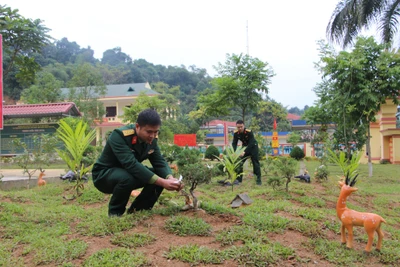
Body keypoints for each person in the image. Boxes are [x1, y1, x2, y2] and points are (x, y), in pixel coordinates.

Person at [92, 109, 183, 217]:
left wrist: (169, 178)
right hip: (104, 176)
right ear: (137, 126)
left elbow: (159, 161)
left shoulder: (152, 139)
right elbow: (131, 164)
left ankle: (138, 211)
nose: (152, 136)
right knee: (127, 178)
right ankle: (115, 215)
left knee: (158, 175)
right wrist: (162, 182)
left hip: (128, 173)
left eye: (155, 132)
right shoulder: (119, 136)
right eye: (149, 132)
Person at [232, 120, 262, 185]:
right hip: (245, 147)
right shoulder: (236, 133)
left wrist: (244, 151)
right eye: (238, 127)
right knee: (239, 162)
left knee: (255, 163)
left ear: (244, 126)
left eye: (241, 127)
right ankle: (238, 180)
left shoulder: (249, 132)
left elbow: (251, 143)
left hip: (253, 147)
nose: (240, 128)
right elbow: (234, 143)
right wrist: (234, 152)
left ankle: (258, 180)